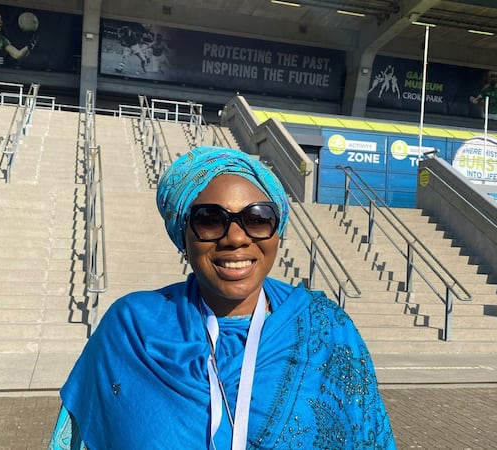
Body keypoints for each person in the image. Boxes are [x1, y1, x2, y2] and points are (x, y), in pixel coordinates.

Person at [48, 146, 396, 449]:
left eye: (257, 218)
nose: (235, 238)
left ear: (277, 232)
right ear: (183, 236)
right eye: (210, 220)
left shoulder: (327, 331)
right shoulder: (131, 330)